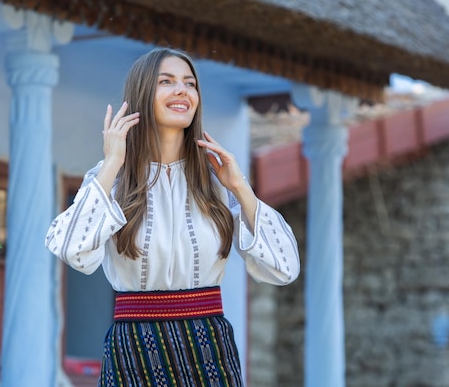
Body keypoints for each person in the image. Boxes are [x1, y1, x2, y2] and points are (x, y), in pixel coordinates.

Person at [45, 47, 300, 387]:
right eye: (167, 81)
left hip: (208, 349)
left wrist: (240, 187)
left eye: (190, 83)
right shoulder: (113, 180)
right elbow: (70, 249)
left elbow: (285, 268)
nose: (182, 90)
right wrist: (111, 163)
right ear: (142, 94)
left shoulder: (218, 181)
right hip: (134, 350)